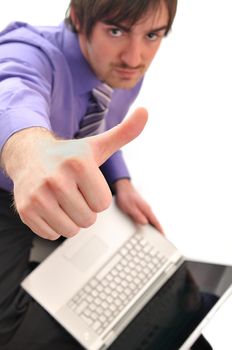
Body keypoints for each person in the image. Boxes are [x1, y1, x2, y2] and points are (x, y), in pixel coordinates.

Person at [0, 0, 212, 349]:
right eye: (116, 31)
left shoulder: (122, 72)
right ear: (79, 20)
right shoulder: (30, 51)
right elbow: (11, 90)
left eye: (152, 35)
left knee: (147, 286)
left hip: (67, 182)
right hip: (6, 185)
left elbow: (96, 133)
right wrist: (31, 155)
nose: (135, 58)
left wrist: (121, 183)